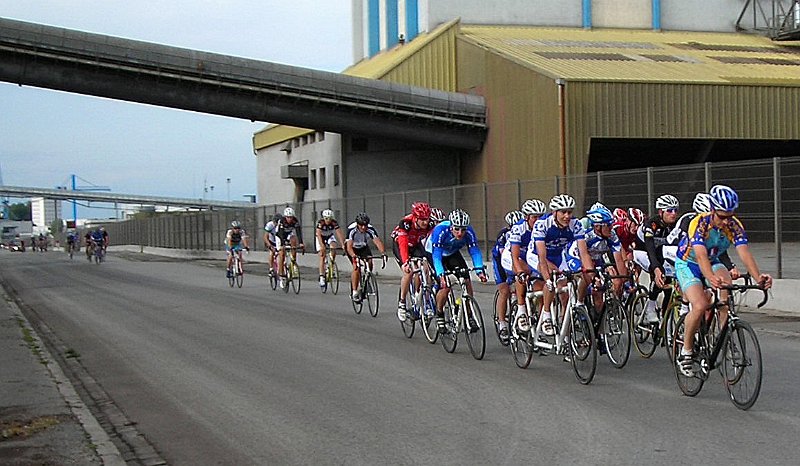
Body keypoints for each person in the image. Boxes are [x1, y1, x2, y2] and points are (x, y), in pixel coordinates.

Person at [675, 185, 772, 377]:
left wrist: (758, 277)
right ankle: (686, 351)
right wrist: (710, 278)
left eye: (730, 215)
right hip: (688, 263)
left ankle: (723, 338)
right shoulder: (699, 223)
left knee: (725, 296)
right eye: (722, 216)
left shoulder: (734, 225)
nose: (726, 221)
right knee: (701, 305)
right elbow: (701, 256)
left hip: (713, 261)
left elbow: (744, 254)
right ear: (712, 210)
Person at [527, 194, 593, 337]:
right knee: (551, 281)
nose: (567, 216)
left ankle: (566, 334)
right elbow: (542, 258)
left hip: (558, 257)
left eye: (569, 212)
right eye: (563, 212)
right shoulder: (542, 224)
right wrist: (547, 279)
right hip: (537, 256)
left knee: (566, 292)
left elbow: (584, 254)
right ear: (554, 213)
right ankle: (546, 315)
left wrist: (590, 273)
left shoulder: (576, 225)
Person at [426, 209, 488, 332]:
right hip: (434, 253)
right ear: (451, 227)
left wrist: (479, 270)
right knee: (445, 285)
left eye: (463, 230)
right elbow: (437, 256)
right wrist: (441, 274)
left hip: (452, 253)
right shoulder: (440, 231)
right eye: (457, 229)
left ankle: (469, 315)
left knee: (466, 280)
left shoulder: (469, 232)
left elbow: (474, 251)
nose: (460, 233)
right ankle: (439, 314)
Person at [564, 205, 626, 314]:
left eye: (611, 224)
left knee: (600, 290)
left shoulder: (611, 235)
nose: (611, 228)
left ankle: (598, 322)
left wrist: (623, 279)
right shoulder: (587, 236)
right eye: (608, 225)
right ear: (597, 227)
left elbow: (619, 259)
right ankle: (579, 303)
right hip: (575, 256)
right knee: (587, 278)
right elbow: (582, 255)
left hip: (596, 260)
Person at [501, 199, 547, 335]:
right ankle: (521, 309)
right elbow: (514, 256)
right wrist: (520, 271)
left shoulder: (544, 227)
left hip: (530, 257)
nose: (538, 220)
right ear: (526, 217)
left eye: (541, 217)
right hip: (511, 256)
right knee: (523, 271)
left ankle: (538, 326)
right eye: (534, 217)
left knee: (541, 288)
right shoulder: (518, 228)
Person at [633, 194, 680, 324]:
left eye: (675, 210)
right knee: (658, 273)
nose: (673, 214)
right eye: (669, 210)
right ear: (660, 212)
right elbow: (650, 248)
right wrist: (657, 269)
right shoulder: (651, 224)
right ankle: (651, 308)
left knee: (669, 287)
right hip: (643, 251)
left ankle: (665, 321)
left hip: (660, 252)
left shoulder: (675, 226)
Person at [392, 202, 434, 322]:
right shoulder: (405, 223)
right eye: (422, 220)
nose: (425, 223)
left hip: (416, 244)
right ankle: (402, 302)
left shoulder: (430, 224)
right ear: (415, 218)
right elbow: (403, 245)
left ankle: (420, 295)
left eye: (426, 219)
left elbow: (431, 243)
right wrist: (405, 262)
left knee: (425, 267)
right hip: (401, 244)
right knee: (409, 271)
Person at [492, 209, 525, 342]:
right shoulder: (503, 234)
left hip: (517, 259)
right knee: (504, 291)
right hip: (501, 260)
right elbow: (504, 256)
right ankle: (502, 324)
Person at [345, 212, 387, 303]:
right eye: (361, 225)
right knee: (356, 267)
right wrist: (354, 256)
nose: (363, 227)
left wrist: (383, 253)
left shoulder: (370, 229)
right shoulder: (352, 230)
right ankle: (354, 291)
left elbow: (377, 242)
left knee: (370, 261)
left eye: (365, 225)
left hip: (363, 246)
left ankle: (367, 278)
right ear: (357, 224)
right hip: (352, 248)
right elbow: (349, 247)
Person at [315, 209, 346, 290]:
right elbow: (318, 234)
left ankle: (331, 265)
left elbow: (339, 233)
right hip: (321, 237)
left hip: (329, 236)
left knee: (333, 247)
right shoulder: (320, 223)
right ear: (323, 218)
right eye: (326, 218)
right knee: (322, 255)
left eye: (329, 218)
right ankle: (322, 276)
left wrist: (343, 244)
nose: (328, 220)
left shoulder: (334, 222)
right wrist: (322, 246)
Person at [275, 207, 305, 289]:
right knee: (282, 254)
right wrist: (282, 244)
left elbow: (298, 232)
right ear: (285, 217)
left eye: (291, 217)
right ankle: (281, 276)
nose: (290, 219)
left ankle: (293, 263)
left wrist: (301, 243)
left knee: (294, 240)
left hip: (288, 234)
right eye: (288, 217)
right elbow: (280, 233)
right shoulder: (282, 221)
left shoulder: (295, 221)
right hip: (279, 236)